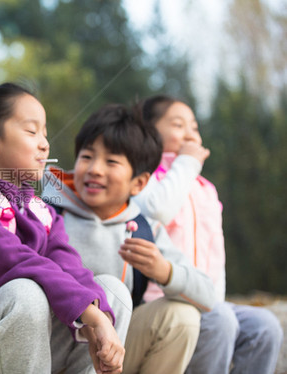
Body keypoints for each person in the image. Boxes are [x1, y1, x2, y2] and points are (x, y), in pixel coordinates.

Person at [0, 83, 128, 374]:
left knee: (111, 292)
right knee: (25, 293)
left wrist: (100, 315)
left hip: (30, 347)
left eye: (44, 133)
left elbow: (69, 266)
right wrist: (91, 316)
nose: (45, 143)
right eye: (32, 132)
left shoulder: (40, 210)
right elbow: (23, 263)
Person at [41, 103, 216, 374]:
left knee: (182, 317)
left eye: (111, 162)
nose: (95, 169)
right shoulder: (46, 213)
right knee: (108, 288)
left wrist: (165, 271)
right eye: (87, 156)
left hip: (113, 352)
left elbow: (208, 296)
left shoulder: (144, 229)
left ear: (139, 183)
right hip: (51, 348)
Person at [133, 95, 284, 374]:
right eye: (178, 125)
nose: (190, 133)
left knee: (265, 327)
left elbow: (216, 254)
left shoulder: (205, 188)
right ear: (149, 130)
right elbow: (157, 211)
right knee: (221, 320)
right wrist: (187, 163)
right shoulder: (145, 178)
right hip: (164, 300)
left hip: (206, 298)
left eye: (194, 126)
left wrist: (216, 298)